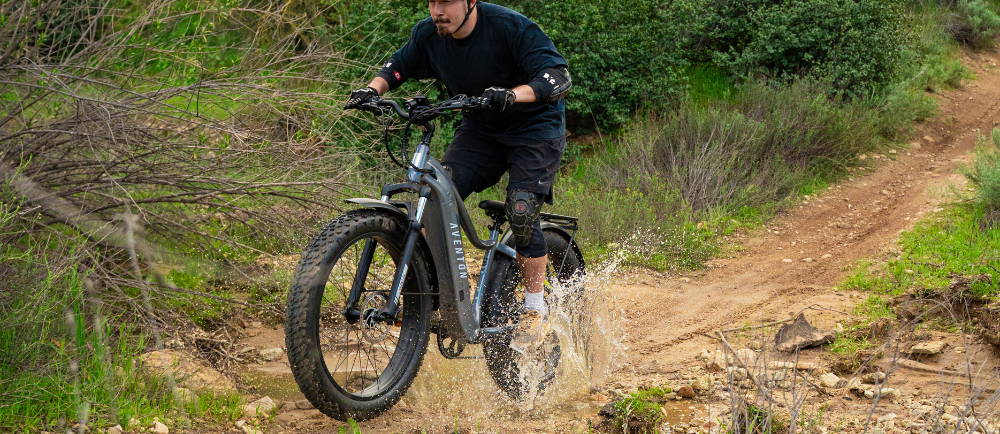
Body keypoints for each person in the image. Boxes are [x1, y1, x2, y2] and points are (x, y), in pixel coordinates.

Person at [345, 0, 571, 348]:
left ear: (470, 2)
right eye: (432, 1)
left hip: (535, 129)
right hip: (481, 133)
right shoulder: (428, 35)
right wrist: (372, 89)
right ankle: (434, 294)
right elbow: (398, 67)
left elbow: (557, 77)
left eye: (447, 2)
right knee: (437, 195)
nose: (438, 10)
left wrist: (512, 95)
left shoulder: (510, 27)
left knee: (522, 211)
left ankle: (534, 308)